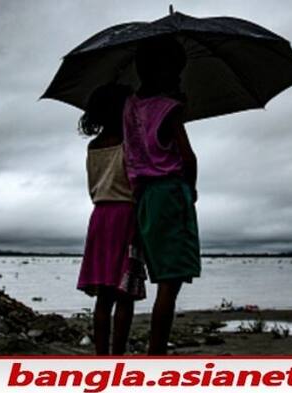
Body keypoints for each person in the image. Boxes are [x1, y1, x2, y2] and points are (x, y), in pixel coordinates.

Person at [122, 36, 201, 355]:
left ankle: (156, 350)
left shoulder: (129, 106)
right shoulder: (169, 108)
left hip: (144, 198)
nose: (180, 75)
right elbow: (188, 157)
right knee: (171, 282)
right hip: (170, 193)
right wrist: (191, 189)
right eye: (177, 69)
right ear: (165, 70)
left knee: (163, 277)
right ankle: (156, 352)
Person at [76, 83, 146, 355]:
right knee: (125, 294)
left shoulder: (93, 146)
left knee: (104, 295)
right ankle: (117, 357)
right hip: (126, 216)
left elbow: (92, 185)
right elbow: (136, 183)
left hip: (99, 218)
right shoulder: (128, 143)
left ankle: (102, 357)